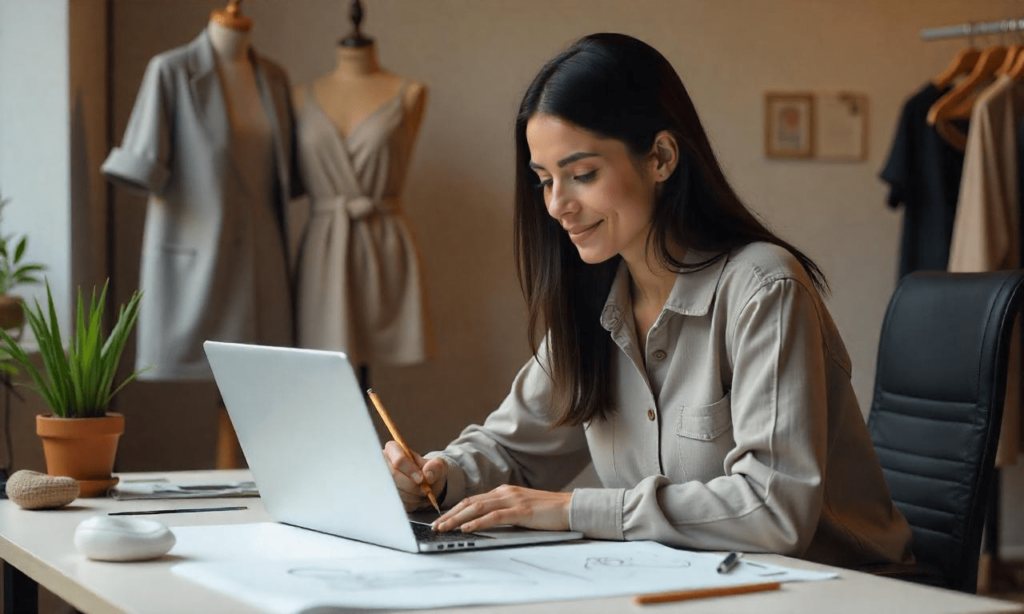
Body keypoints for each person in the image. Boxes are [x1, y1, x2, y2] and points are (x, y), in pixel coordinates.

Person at [384, 33, 913, 568]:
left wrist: (573, 510)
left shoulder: (763, 288)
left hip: (835, 589)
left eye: (582, 174)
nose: (558, 206)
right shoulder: (594, 302)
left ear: (660, 157)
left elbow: (773, 510)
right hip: (695, 587)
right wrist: (435, 475)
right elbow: (513, 451)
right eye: (544, 181)